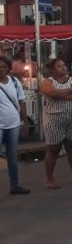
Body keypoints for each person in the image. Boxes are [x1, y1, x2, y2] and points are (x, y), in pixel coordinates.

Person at [41, 59, 72, 188]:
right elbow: (52, 93)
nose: (63, 68)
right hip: (54, 119)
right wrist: (71, 91)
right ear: (52, 70)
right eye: (59, 66)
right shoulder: (47, 82)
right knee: (53, 149)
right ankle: (49, 179)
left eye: (64, 65)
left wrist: (62, 94)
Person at [0, 56, 30, 194]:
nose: (1, 69)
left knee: (12, 155)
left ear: (8, 68)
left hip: (13, 124)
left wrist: (25, 122)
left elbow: (21, 101)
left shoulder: (14, 81)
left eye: (4, 66)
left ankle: (15, 185)